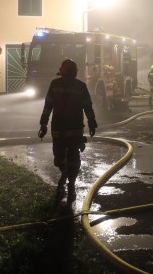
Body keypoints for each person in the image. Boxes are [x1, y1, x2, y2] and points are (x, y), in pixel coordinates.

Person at [38, 59, 97, 202]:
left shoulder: (81, 86)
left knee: (73, 159)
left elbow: (87, 106)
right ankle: (65, 178)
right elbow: (48, 105)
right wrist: (43, 124)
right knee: (59, 158)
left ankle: (69, 186)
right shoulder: (55, 84)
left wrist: (92, 122)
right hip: (58, 127)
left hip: (74, 128)